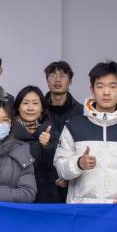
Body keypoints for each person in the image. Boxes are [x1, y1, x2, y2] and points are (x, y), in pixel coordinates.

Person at [53, 61, 117, 204]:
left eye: (112, 86)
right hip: (81, 210)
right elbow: (60, 166)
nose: (106, 92)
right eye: (100, 86)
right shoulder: (74, 125)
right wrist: (78, 163)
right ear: (92, 89)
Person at [11, 85, 60, 203]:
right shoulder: (8, 131)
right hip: (17, 194)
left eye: (35, 103)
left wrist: (47, 146)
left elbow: (60, 165)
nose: (30, 108)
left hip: (46, 195)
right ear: (18, 107)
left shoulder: (52, 130)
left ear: (42, 107)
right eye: (25, 103)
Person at [44, 60, 84, 201]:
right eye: (53, 75)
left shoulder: (81, 112)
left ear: (70, 81)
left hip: (72, 180)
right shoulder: (38, 110)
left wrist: (68, 175)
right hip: (43, 179)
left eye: (62, 76)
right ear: (47, 80)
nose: (57, 80)